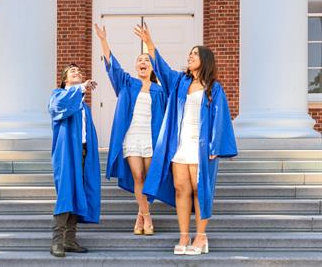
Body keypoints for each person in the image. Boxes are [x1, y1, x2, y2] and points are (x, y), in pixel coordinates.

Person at [134, 23, 238, 256]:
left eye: (194, 54)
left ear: (205, 60)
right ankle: (184, 236)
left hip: (201, 147)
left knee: (200, 190)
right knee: (181, 189)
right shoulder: (180, 82)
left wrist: (215, 145)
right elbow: (161, 68)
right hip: (180, 145)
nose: (189, 57)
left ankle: (201, 237)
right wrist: (150, 43)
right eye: (189, 53)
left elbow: (221, 118)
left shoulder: (214, 88)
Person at [94, 23, 166, 235]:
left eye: (146, 60)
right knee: (138, 177)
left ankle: (139, 215)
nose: (143, 62)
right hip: (132, 137)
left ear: (152, 67)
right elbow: (112, 66)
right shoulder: (127, 84)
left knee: (148, 177)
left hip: (152, 138)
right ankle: (147, 217)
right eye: (139, 60)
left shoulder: (160, 90)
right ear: (136, 67)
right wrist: (103, 40)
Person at [48, 63, 101, 258]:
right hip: (66, 153)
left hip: (83, 152)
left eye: (79, 71)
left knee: (78, 192)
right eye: (73, 72)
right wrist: (80, 87)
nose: (77, 73)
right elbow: (58, 109)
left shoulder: (83, 106)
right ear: (64, 80)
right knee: (65, 193)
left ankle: (70, 240)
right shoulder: (58, 95)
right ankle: (57, 242)